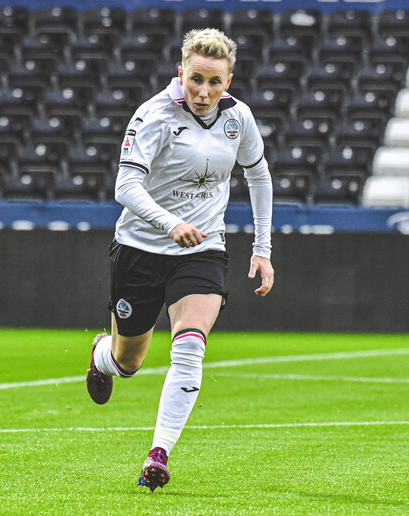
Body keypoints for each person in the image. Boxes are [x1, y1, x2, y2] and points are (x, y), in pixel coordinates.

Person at [85, 28, 274, 492]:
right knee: (129, 361)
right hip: (141, 249)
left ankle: (159, 454)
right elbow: (124, 188)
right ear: (181, 74)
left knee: (189, 345)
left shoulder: (238, 118)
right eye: (195, 80)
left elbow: (259, 176)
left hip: (203, 250)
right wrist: (169, 223)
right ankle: (101, 358)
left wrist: (263, 248)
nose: (204, 92)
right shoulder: (153, 114)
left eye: (214, 82)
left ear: (229, 81)